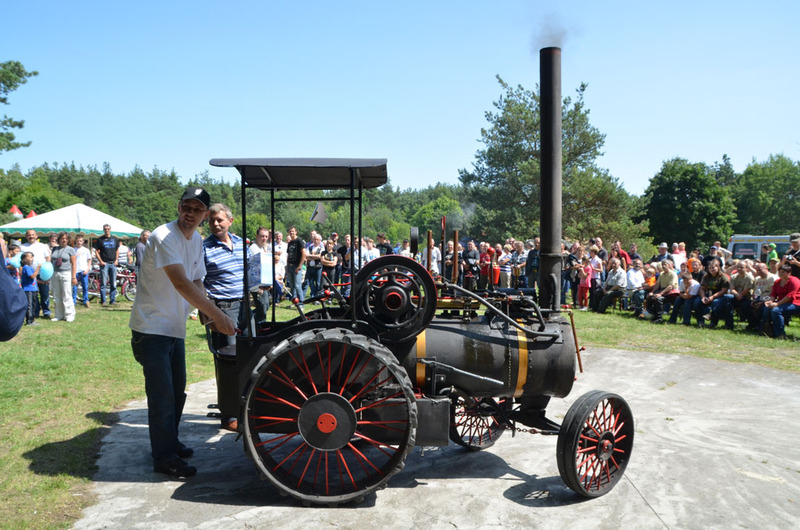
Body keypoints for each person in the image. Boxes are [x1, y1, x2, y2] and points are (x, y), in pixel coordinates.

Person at [129, 187, 236, 478]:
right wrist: (218, 314)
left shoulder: (196, 240)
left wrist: (206, 311)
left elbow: (197, 279)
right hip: (151, 328)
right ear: (178, 207)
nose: (190, 213)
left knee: (177, 392)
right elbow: (180, 282)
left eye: (197, 209)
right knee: (162, 396)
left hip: (173, 327)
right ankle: (164, 457)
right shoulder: (164, 236)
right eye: (186, 207)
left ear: (204, 215)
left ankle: (170, 443)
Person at [202, 203, 246, 355]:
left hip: (245, 305)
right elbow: (198, 280)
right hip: (223, 308)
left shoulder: (240, 243)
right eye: (211, 221)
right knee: (229, 354)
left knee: (252, 350)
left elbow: (251, 270)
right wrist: (208, 311)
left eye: (219, 220)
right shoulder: (204, 248)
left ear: (230, 221)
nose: (215, 224)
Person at [758, 264, 800, 339]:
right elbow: (773, 293)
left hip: (795, 303)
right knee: (767, 307)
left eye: (783, 272)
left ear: (789, 273)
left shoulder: (794, 281)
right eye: (779, 272)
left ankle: (780, 334)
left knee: (776, 310)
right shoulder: (777, 282)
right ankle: (766, 330)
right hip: (783, 303)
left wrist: (777, 304)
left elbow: (790, 296)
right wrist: (770, 301)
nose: (780, 273)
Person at [21, 229, 51, 318]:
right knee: (33, 294)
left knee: (44, 293)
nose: (31, 236)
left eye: (33, 235)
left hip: (42, 273)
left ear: (36, 236)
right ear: (26, 236)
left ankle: (46, 312)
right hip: (29, 274)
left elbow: (48, 258)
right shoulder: (23, 247)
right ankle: (35, 312)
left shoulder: (42, 246)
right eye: (29, 235)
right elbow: (20, 261)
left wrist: (48, 270)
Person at [49, 232, 77, 322]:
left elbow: (74, 264)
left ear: (68, 240)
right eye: (62, 238)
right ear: (59, 239)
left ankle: (69, 314)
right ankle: (59, 315)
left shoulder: (70, 249)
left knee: (66, 294)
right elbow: (51, 261)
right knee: (57, 294)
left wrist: (74, 277)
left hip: (66, 273)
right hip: (55, 273)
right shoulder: (55, 249)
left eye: (66, 238)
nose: (64, 240)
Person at [697, 258, 732, 329]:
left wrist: (712, 297)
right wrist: (703, 297)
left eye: (713, 267)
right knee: (697, 301)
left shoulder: (723, 277)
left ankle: (713, 323)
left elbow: (724, 290)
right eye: (710, 268)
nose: (711, 269)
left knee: (715, 302)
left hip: (720, 296)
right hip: (708, 295)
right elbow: (702, 288)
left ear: (718, 267)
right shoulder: (706, 276)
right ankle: (700, 321)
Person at [93, 224, 120, 306]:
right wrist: (100, 261)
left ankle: (112, 300)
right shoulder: (100, 240)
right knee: (103, 283)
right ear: (103, 230)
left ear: (110, 229)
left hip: (113, 263)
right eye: (105, 229)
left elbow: (117, 250)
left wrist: (116, 260)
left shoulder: (114, 239)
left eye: (108, 229)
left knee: (113, 283)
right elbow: (96, 251)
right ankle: (103, 301)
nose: (106, 230)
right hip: (104, 264)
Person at [285, 227, 307, 306]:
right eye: (290, 231)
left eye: (293, 231)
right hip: (290, 266)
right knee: (292, 286)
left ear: (296, 232)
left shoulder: (299, 241)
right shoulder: (290, 243)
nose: (291, 233)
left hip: (297, 266)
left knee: (298, 286)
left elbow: (304, 253)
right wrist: (287, 265)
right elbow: (288, 254)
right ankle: (294, 302)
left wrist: (300, 265)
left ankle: (301, 303)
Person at [20, 252, 41, 326]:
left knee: (33, 305)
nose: (32, 259)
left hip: (33, 289)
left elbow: (34, 279)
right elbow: (32, 276)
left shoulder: (30, 267)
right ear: (25, 259)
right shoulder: (26, 267)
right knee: (30, 305)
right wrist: (38, 268)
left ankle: (32, 319)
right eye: (30, 257)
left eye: (32, 257)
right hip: (28, 289)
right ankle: (29, 320)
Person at [72, 235, 92, 307]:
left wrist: (87, 269)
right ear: (75, 241)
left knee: (85, 286)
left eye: (80, 241)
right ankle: (73, 301)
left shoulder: (86, 250)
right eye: (78, 241)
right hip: (76, 270)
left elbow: (89, 260)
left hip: (83, 269)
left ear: (83, 241)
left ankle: (86, 300)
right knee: (74, 287)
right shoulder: (73, 250)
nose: (79, 242)